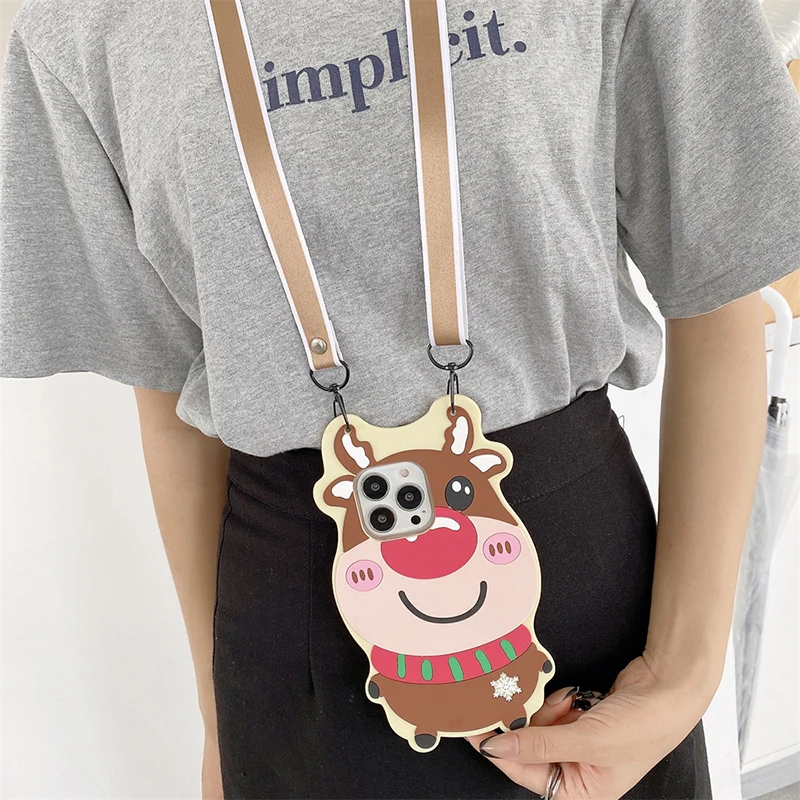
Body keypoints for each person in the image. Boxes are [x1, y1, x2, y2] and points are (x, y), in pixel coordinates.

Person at [1, 0, 799, 798]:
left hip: (583, 608)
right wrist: (220, 723)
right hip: (290, 620)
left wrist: (680, 674)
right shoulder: (77, 24)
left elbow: (718, 282)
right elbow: (171, 393)